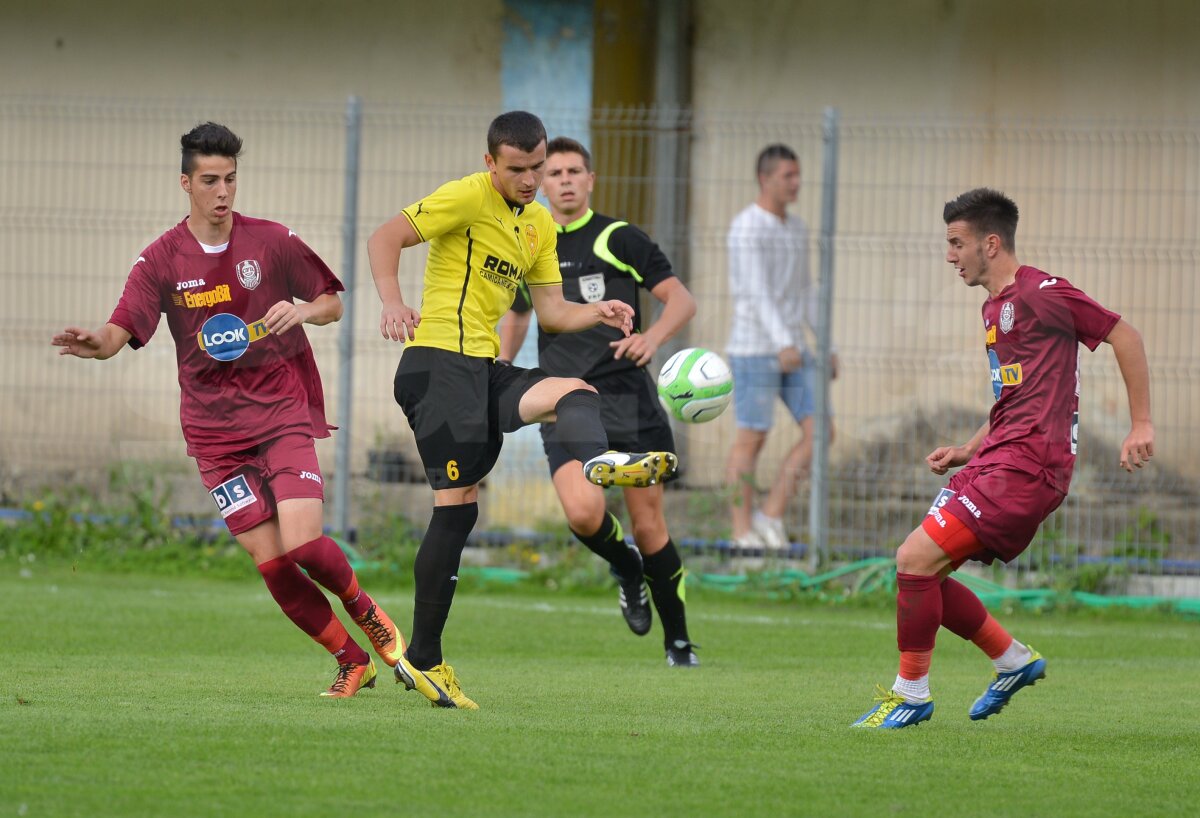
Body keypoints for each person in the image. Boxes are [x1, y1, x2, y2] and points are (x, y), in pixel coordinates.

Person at [52, 122, 403, 698]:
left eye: (231, 180)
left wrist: (304, 311)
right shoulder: (160, 260)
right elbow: (119, 332)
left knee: (305, 543)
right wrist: (95, 343)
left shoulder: (270, 242)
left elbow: (332, 302)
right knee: (271, 562)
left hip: (280, 410)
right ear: (185, 182)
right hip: (215, 436)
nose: (223, 191)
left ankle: (364, 609)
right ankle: (349, 658)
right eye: (210, 180)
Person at [367, 111, 678, 710]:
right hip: (436, 364)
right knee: (456, 510)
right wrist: (392, 302)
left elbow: (554, 312)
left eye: (538, 165)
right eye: (519, 169)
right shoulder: (466, 195)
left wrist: (603, 310)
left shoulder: (537, 224)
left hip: (482, 369)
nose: (532, 178)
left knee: (573, 392)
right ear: (491, 163)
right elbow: (386, 237)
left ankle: (599, 462)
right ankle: (426, 660)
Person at [853, 188, 1155, 729]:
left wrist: (1142, 424)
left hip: (1027, 468)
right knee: (923, 575)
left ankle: (912, 694)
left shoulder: (1043, 293)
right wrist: (968, 448)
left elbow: (1124, 335)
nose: (950, 255)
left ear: (990, 244)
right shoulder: (994, 306)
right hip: (996, 460)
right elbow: (1013, 398)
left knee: (912, 560)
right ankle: (1012, 660)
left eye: (956, 243)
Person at [499, 137, 700, 667]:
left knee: (650, 524)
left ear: (590, 180)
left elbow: (680, 298)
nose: (564, 179)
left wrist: (652, 340)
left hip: (628, 398)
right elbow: (520, 315)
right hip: (565, 398)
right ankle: (626, 568)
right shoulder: (528, 240)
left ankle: (678, 642)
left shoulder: (619, 238)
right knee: (585, 515)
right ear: (541, 182)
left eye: (574, 171)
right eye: (555, 172)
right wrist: (492, 371)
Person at [724, 144, 838, 550]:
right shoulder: (746, 228)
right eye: (787, 175)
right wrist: (782, 343)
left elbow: (805, 291)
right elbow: (756, 294)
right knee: (751, 439)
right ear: (765, 178)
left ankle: (769, 516)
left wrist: (825, 343)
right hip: (756, 349)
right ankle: (742, 536)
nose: (796, 183)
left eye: (797, 175)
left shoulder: (796, 228)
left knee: (821, 431)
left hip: (793, 349)